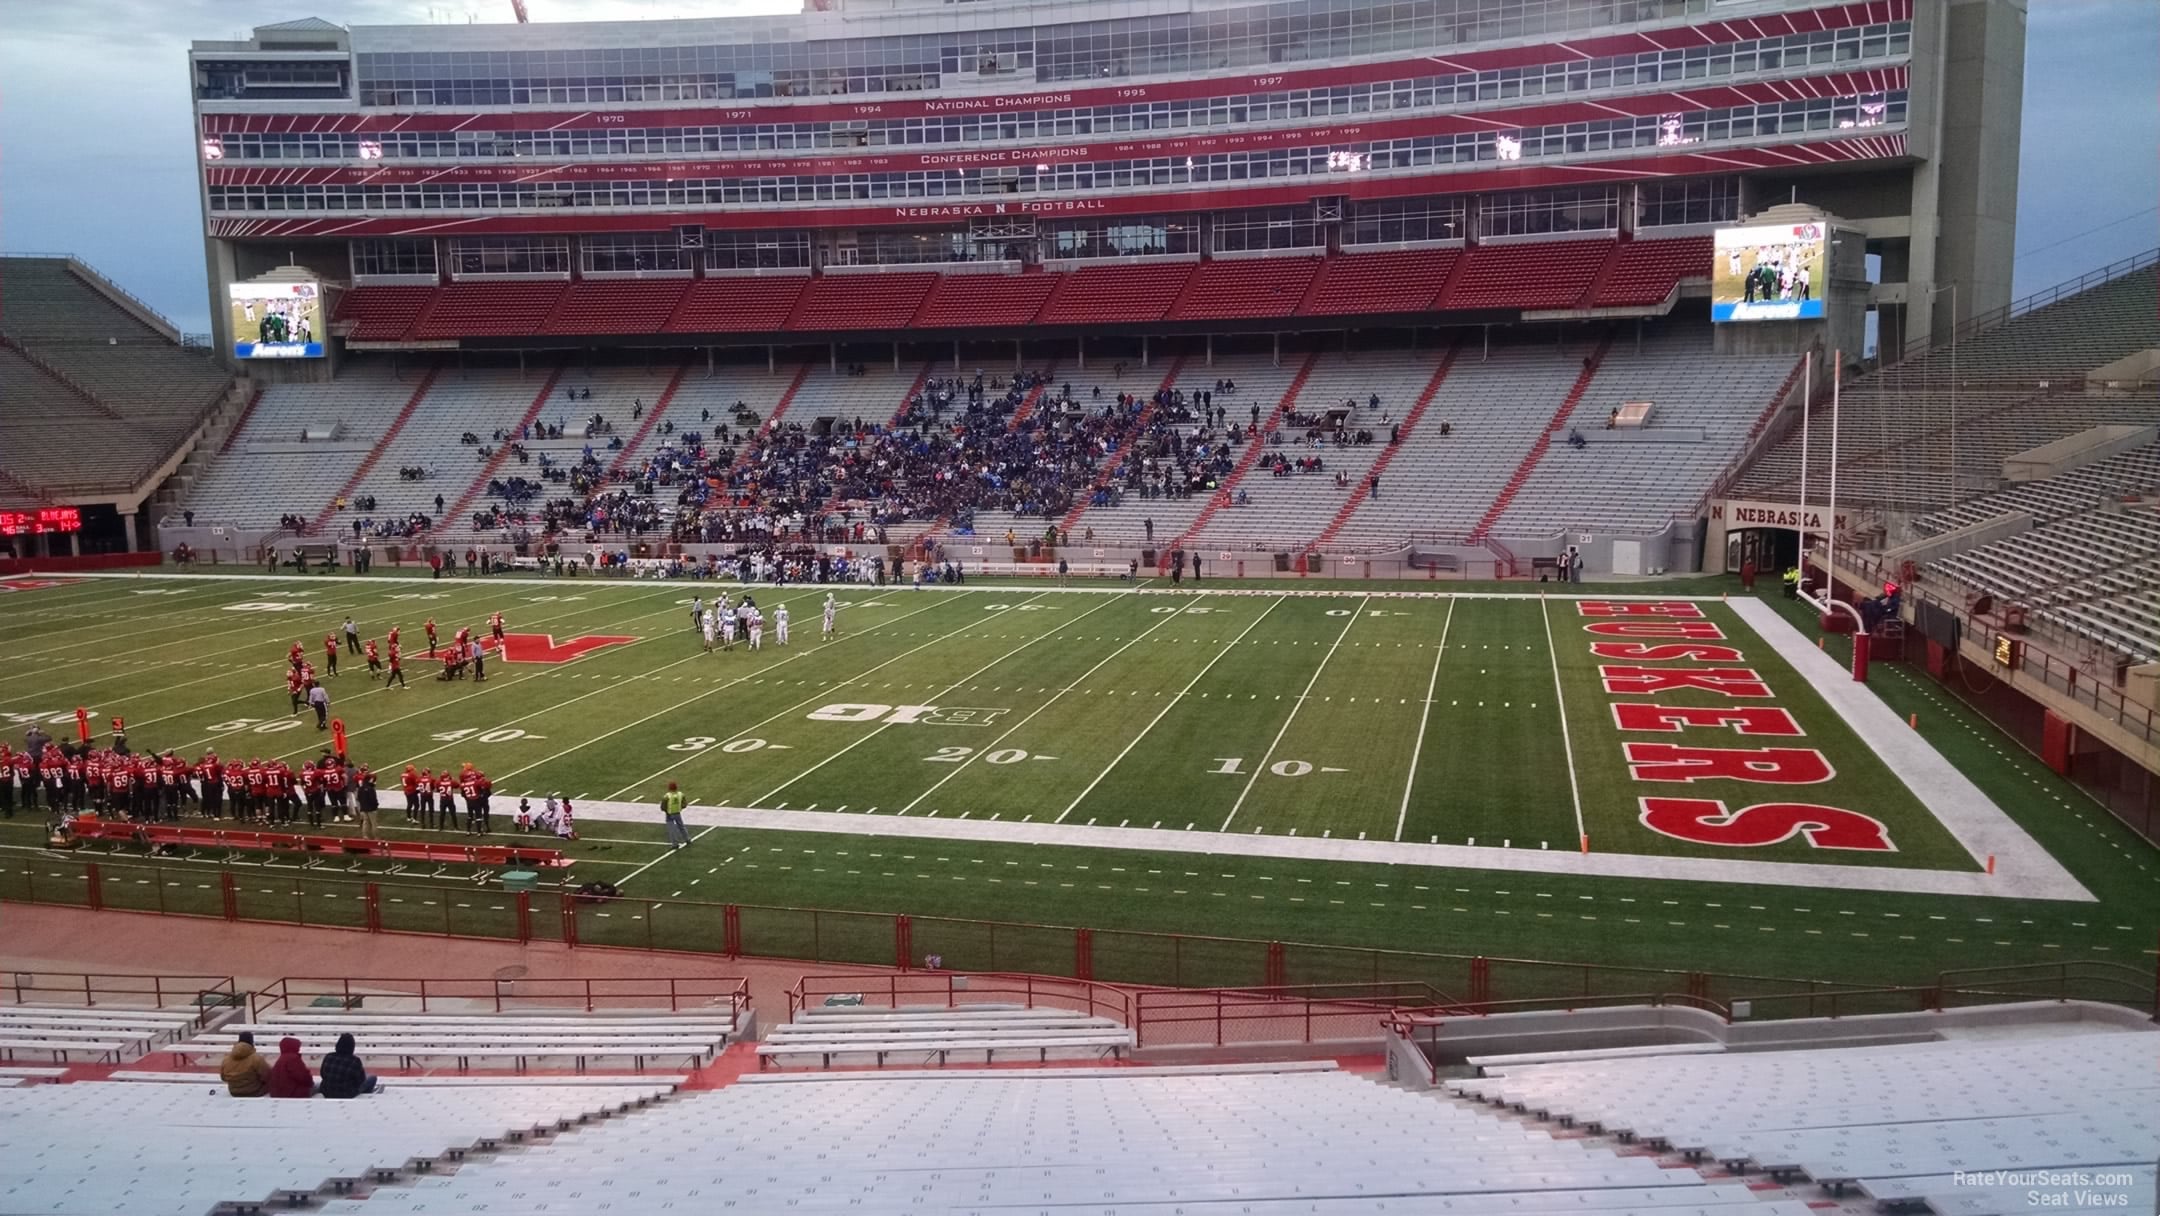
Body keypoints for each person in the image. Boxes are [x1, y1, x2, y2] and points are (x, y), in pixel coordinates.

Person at [317, 1032, 379, 1098]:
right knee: (372, 1078)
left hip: (326, 1091)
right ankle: (366, 1093)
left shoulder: (329, 1056)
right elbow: (360, 1080)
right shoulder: (354, 1061)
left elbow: (322, 1074)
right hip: (347, 1093)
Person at [221, 1031, 273, 1098]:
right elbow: (267, 1075)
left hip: (234, 1092)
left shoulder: (226, 1059)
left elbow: (223, 1077)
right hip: (254, 1092)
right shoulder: (256, 1059)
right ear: (251, 1042)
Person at [661, 781, 690, 849]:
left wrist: (666, 810)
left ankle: (675, 843)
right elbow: (684, 804)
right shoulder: (681, 794)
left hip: (669, 813)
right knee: (681, 826)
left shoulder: (667, 796)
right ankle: (687, 839)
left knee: (671, 829)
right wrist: (680, 807)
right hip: (677, 812)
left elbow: (663, 806)